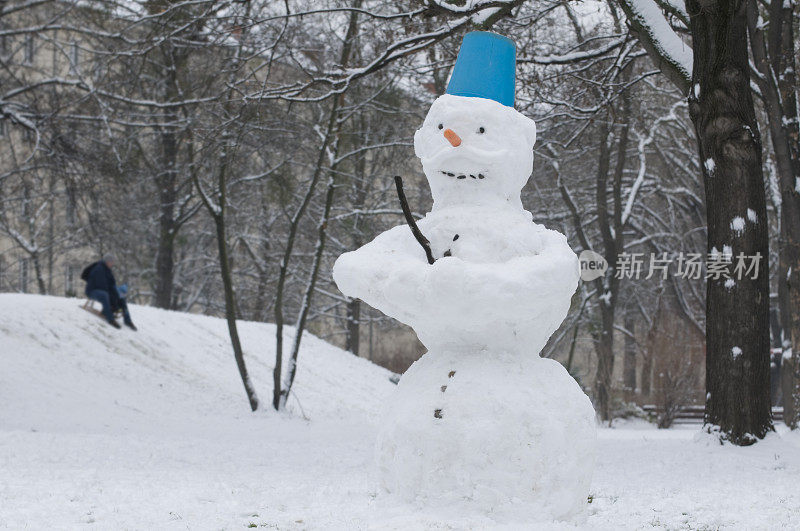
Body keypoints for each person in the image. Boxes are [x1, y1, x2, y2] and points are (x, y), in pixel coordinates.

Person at [82, 254, 137, 331]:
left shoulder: (108, 270)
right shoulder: (99, 269)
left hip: (103, 290)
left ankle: (128, 320)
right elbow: (102, 285)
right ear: (107, 261)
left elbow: (111, 284)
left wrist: (117, 293)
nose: (113, 264)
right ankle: (110, 319)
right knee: (105, 295)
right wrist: (113, 299)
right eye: (112, 262)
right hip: (92, 291)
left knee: (121, 298)